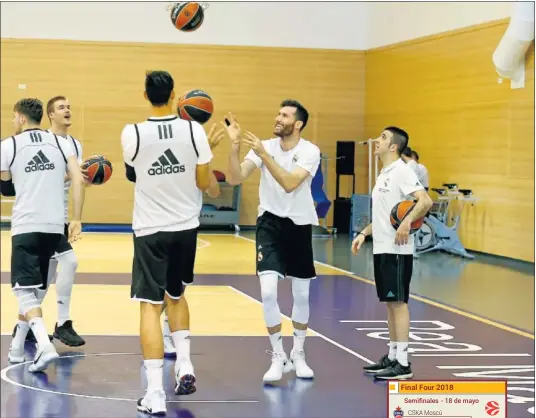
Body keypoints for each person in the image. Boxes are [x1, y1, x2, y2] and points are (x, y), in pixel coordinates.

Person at [121, 70, 221, 415]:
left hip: (150, 228)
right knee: (176, 296)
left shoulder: (131, 133)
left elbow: (132, 173)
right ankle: (187, 365)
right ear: (175, 95)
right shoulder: (195, 130)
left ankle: (155, 394)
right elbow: (203, 179)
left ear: (144, 95)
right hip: (186, 228)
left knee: (150, 305)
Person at [223, 99, 320, 383]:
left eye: (285, 115)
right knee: (267, 292)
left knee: (301, 295)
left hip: (300, 225)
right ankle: (278, 355)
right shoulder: (265, 145)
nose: (278, 118)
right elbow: (236, 177)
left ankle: (298, 353)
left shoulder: (309, 151)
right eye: (278, 113)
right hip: (270, 224)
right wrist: (235, 145)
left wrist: (264, 155)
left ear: (298, 123)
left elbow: (290, 183)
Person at [1, 98, 85, 372]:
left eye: (14, 118)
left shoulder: (9, 145)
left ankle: (44, 346)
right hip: (53, 226)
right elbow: (78, 178)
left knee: (24, 291)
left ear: (21, 118)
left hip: (26, 225)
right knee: (35, 290)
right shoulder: (62, 143)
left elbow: (6, 187)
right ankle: (15, 350)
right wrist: (76, 218)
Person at [351, 127, 432, 380]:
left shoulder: (402, 171)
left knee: (399, 304)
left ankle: (404, 363)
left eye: (383, 138)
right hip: (382, 247)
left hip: (398, 251)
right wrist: (364, 233)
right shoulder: (384, 174)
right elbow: (385, 216)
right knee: (390, 303)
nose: (377, 140)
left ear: (394, 147)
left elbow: (425, 201)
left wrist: (407, 222)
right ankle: (393, 355)